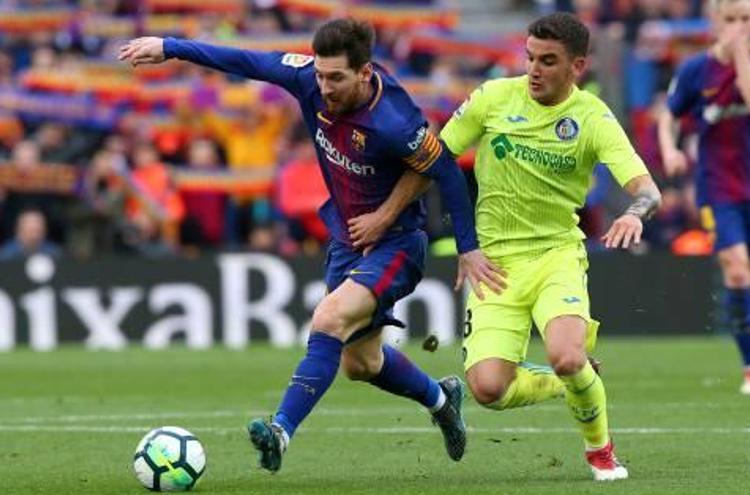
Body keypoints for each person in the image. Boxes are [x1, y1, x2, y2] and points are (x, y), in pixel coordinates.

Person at [120, 18, 505, 472]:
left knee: (326, 318)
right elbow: (247, 60)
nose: (324, 87)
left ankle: (280, 431)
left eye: (335, 77)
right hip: (346, 240)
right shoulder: (309, 78)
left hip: (398, 244)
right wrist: (170, 45)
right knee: (360, 363)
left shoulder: (395, 120)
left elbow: (444, 170)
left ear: (365, 72)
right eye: (320, 75)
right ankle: (442, 399)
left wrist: (467, 245)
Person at [438, 12, 661, 481]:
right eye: (530, 58)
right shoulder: (494, 98)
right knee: (488, 389)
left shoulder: (593, 117)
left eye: (548, 61)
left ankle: (601, 452)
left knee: (566, 354)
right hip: (493, 265)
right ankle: (570, 384)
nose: (534, 69)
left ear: (577, 66)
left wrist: (631, 213)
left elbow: (648, 190)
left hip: (555, 256)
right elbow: (435, 161)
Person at [658, 0, 750, 395]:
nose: (737, 27)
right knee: (736, 271)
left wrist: (741, 56)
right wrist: (670, 150)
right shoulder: (695, 69)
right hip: (716, 186)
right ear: (714, 21)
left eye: (745, 19)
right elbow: (669, 114)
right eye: (729, 19)